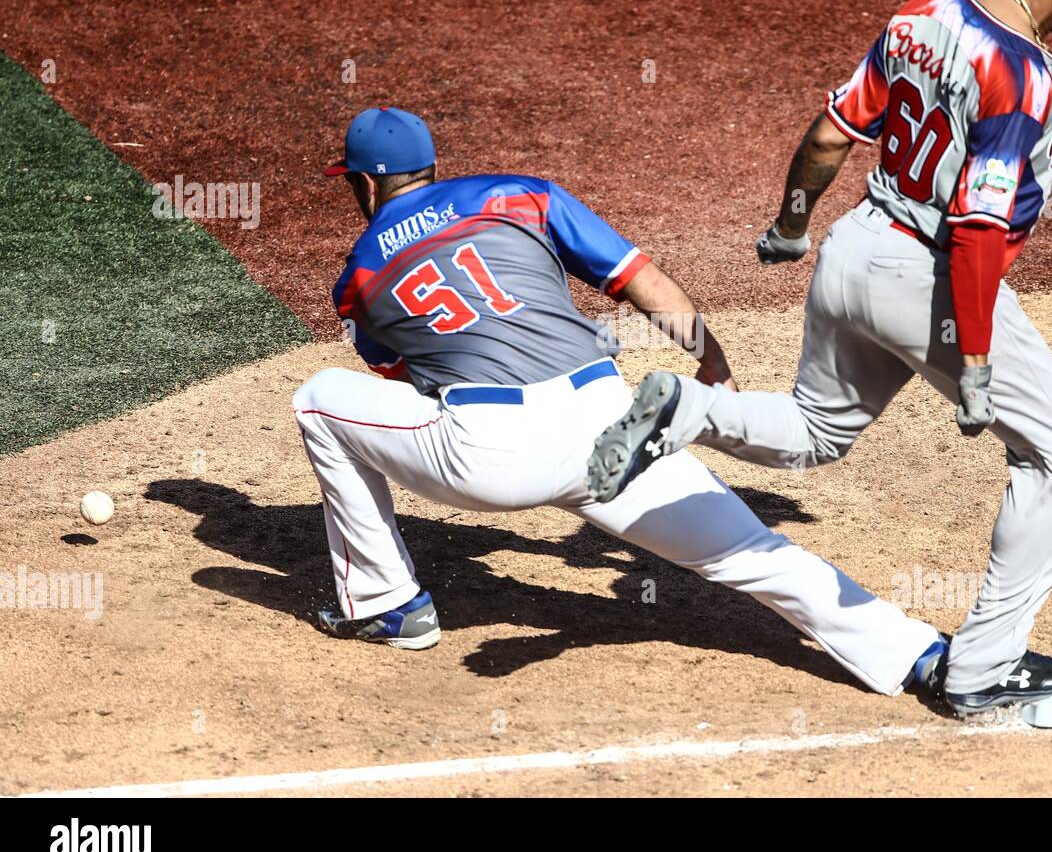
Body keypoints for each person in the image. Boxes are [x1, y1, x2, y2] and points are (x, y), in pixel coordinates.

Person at [588, 0, 1052, 716]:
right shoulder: (1020, 74)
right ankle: (984, 665)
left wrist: (790, 225)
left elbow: (829, 135)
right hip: (935, 277)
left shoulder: (919, 16)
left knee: (816, 431)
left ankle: (690, 408)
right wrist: (977, 355)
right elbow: (980, 226)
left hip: (853, 247)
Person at [293, 105, 943, 698]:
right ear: (434, 167)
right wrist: (711, 362)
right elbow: (642, 281)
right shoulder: (522, 195)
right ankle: (920, 653)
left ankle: (386, 603)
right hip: (608, 420)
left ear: (365, 186)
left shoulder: (358, 278)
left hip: (487, 456)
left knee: (320, 401)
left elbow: (411, 382)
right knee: (750, 550)